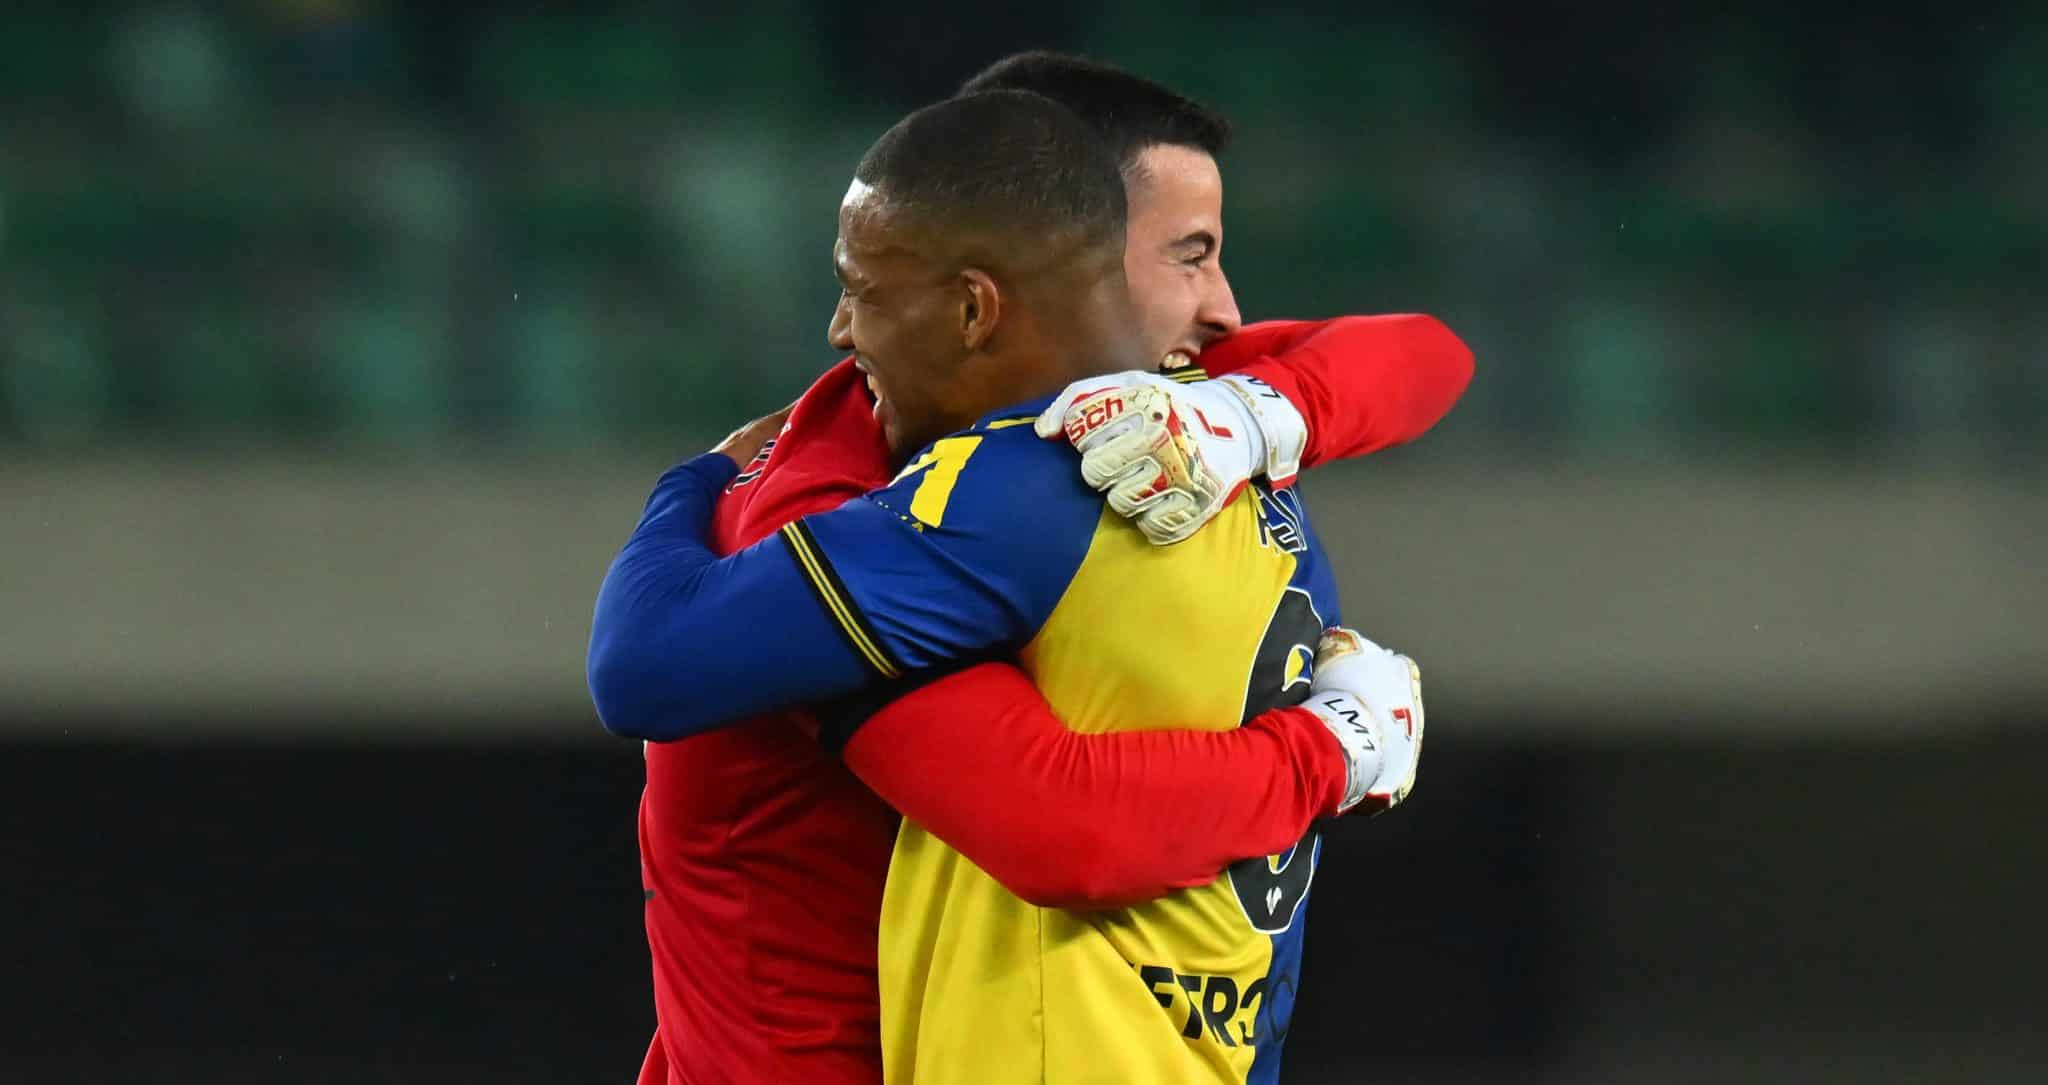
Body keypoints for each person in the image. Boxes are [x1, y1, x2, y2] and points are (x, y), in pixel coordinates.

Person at [590, 86, 1451, 1084]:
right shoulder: (840, 513)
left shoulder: (1134, 424)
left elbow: (1422, 354)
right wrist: (1332, 748)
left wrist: (1259, 412)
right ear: (1052, 263)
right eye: (1189, 253)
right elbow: (1061, 822)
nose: (1224, 308)